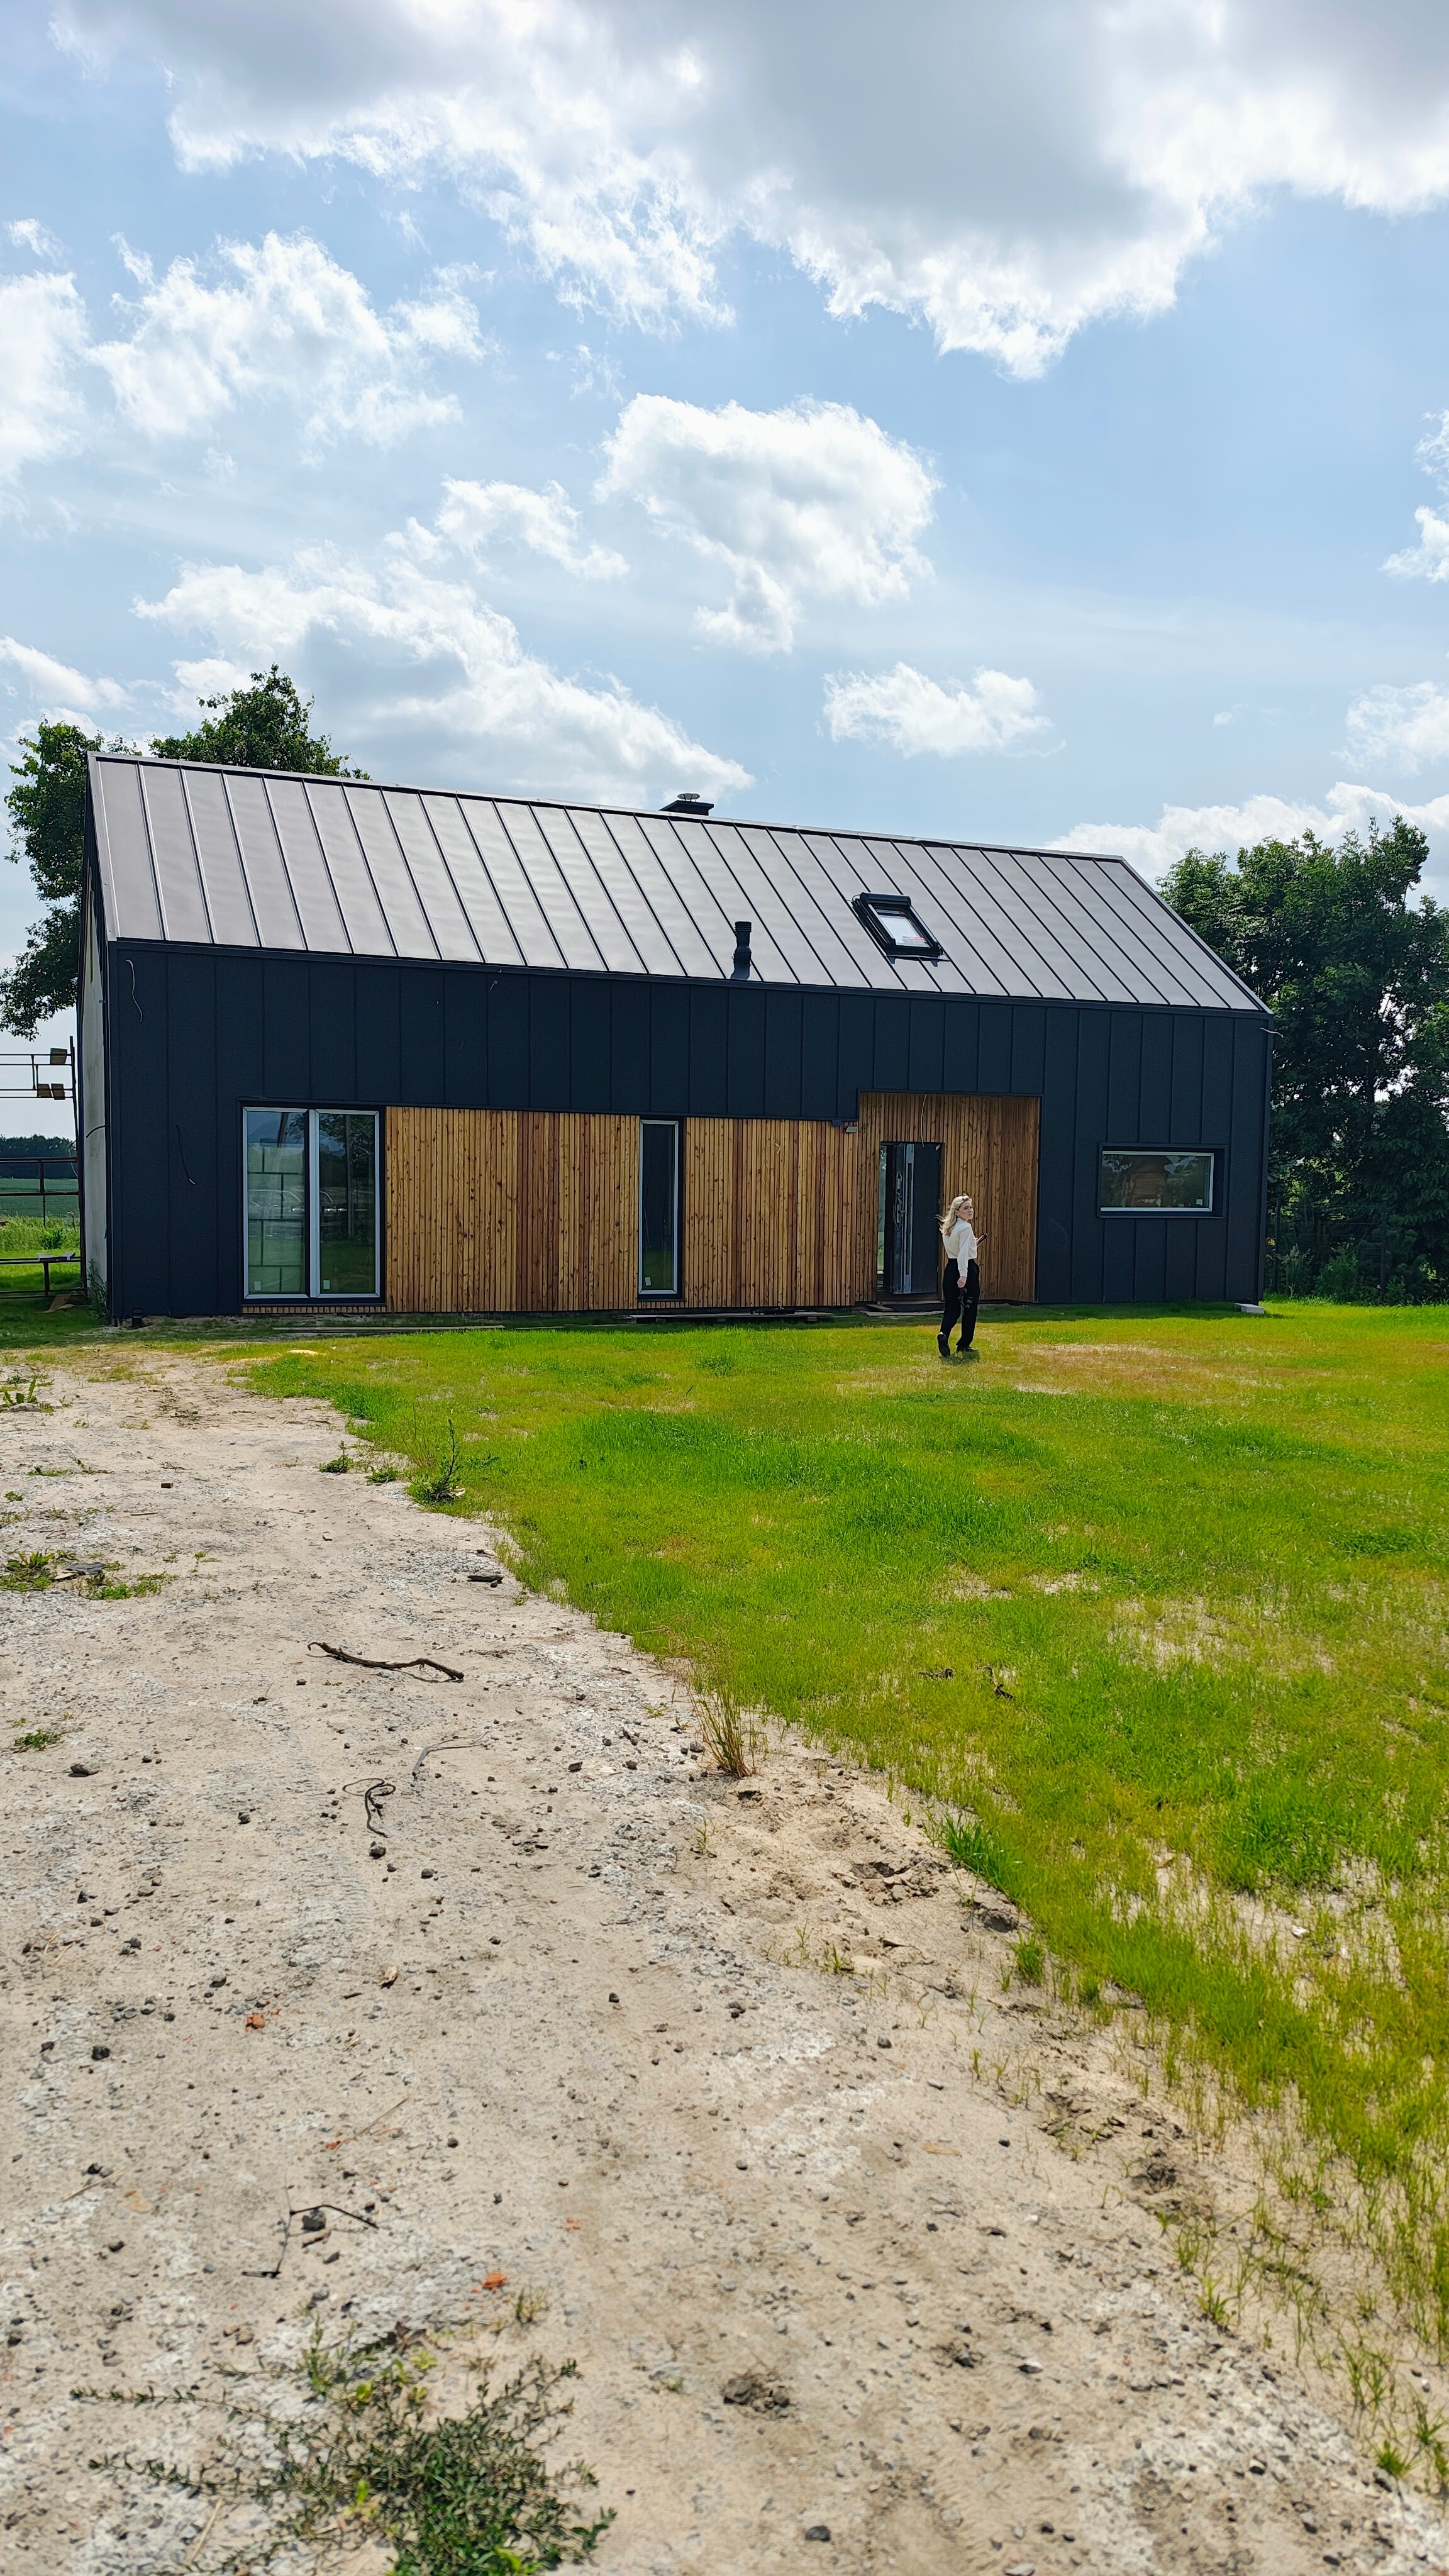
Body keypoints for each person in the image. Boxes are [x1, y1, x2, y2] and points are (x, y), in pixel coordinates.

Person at [938, 1191, 984, 1360]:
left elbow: (959, 1249)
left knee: (951, 1308)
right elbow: (964, 1254)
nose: (970, 1210)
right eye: (966, 1208)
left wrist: (972, 1244)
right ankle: (964, 1343)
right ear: (957, 1212)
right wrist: (964, 1276)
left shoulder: (948, 1228)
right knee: (970, 1308)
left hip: (950, 1268)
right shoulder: (965, 1227)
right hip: (966, 1269)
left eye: (971, 1207)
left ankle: (944, 1333)